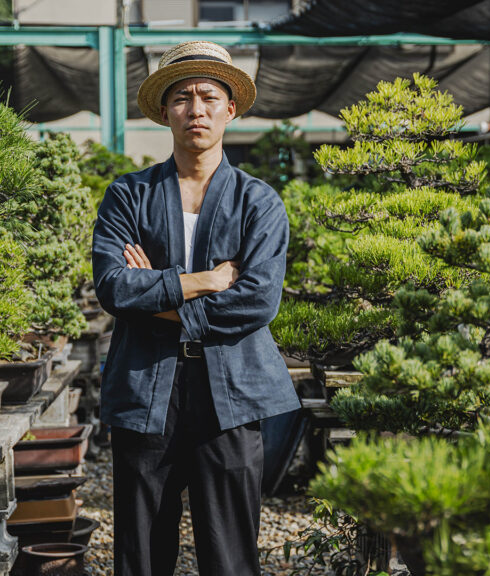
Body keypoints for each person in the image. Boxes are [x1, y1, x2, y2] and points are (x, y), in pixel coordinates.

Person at [91, 41, 300, 576]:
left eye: (209, 95)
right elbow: (114, 288)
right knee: (140, 550)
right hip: (147, 386)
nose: (196, 108)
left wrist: (156, 294)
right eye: (182, 97)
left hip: (231, 390)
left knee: (230, 551)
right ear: (165, 111)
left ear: (232, 108)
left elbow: (257, 301)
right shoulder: (128, 196)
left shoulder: (259, 202)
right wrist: (205, 281)